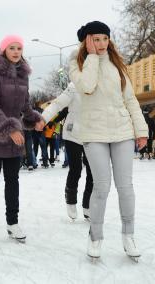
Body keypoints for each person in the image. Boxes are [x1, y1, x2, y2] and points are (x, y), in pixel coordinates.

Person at [69, 21, 148, 260]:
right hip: (94, 132)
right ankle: (96, 236)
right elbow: (87, 87)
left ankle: (128, 235)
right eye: (96, 39)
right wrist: (92, 57)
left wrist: (141, 129)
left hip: (122, 130)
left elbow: (131, 99)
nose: (102, 44)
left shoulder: (117, 64)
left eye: (105, 39)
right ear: (86, 41)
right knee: (101, 185)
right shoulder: (77, 64)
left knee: (125, 186)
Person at [0, 35, 44, 242]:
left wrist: (34, 119)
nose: (16, 51)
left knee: (13, 180)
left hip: (14, 137)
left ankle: (12, 223)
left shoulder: (23, 76)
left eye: (19, 48)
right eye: (11, 47)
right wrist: (10, 127)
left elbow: (25, 106)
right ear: (4, 50)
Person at [42, 82, 94, 221]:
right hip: (73, 133)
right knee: (76, 168)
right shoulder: (74, 85)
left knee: (93, 171)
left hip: (93, 134)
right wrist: (43, 119)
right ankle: (71, 198)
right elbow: (58, 104)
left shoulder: (101, 84)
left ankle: (88, 204)